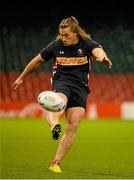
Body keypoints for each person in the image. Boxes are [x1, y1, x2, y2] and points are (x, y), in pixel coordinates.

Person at [13, 16, 112, 173]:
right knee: (58, 102)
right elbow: (36, 61)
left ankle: (55, 163)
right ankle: (54, 125)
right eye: (61, 34)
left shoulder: (86, 44)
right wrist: (21, 77)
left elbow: (98, 51)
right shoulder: (56, 45)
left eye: (66, 35)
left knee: (73, 125)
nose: (63, 38)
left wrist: (103, 57)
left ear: (75, 32)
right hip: (62, 82)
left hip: (80, 88)